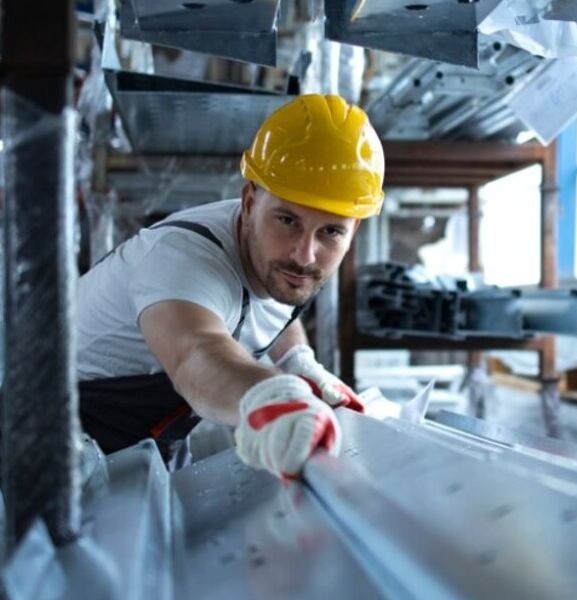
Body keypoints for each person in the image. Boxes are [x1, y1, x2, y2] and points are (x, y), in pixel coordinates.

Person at [76, 94, 384, 478]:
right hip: (61, 441)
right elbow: (196, 355)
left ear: (353, 230)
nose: (305, 255)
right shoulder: (181, 260)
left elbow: (280, 304)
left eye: (331, 231)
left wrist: (298, 360)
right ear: (250, 201)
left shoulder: (278, 261)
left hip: (146, 441)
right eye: (287, 220)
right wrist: (270, 394)